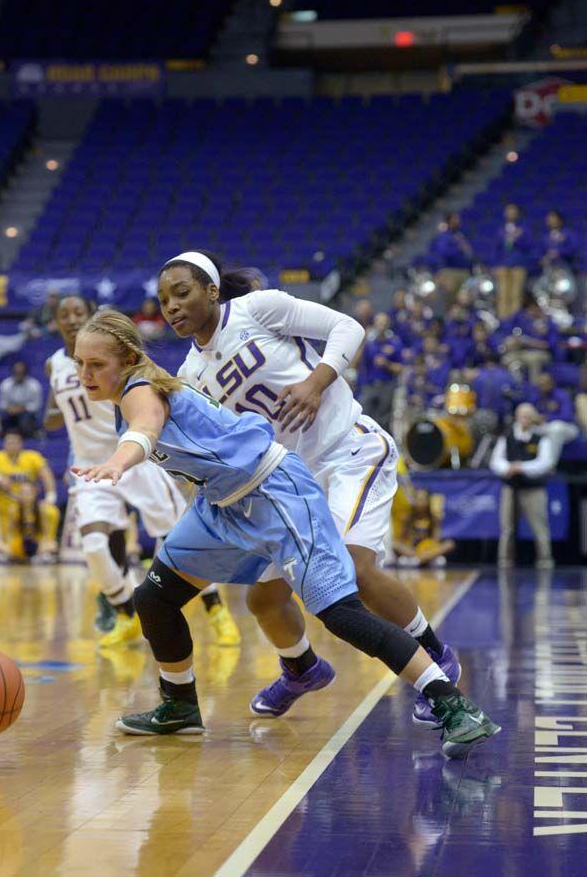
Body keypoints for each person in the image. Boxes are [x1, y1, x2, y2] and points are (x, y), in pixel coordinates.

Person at [71, 307, 499, 757]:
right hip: (221, 504)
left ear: (127, 361)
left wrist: (117, 463)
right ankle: (179, 706)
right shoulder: (152, 386)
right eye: (80, 363)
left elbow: (145, 429)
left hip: (274, 492)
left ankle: (453, 704)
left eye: (96, 364)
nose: (85, 373)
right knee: (154, 598)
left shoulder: (141, 391)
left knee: (341, 613)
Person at [159, 251, 462, 729]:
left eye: (182, 293)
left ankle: (438, 660)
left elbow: (349, 328)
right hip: (291, 485)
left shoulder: (258, 308)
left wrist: (316, 383)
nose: (172, 307)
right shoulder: (189, 377)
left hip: (348, 450)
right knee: (263, 601)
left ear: (212, 291)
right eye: (163, 302)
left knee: (355, 571)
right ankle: (301, 669)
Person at [44, 294, 239, 648]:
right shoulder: (54, 366)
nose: (71, 319)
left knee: (178, 539)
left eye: (78, 312)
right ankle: (125, 612)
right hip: (91, 465)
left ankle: (215, 608)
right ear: (56, 322)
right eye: (64, 314)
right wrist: (69, 408)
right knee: (92, 546)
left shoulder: (120, 365)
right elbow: (50, 414)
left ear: (92, 319)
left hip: (133, 457)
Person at [0, 430, 60, 562]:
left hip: (31, 506)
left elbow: (46, 475)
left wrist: (50, 497)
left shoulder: (32, 457)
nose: (12, 445)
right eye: (9, 442)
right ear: (4, 444)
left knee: (51, 512)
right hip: (6, 508)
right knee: (6, 543)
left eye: (15, 442)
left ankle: (43, 551)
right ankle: (18, 553)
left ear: (21, 444)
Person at [490, 403, 554, 570]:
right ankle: (504, 561)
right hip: (510, 488)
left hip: (534, 489)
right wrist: (507, 468)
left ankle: (545, 560)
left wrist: (521, 467)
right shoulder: (508, 436)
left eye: (528, 416)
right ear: (517, 417)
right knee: (507, 528)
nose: (525, 419)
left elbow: (545, 463)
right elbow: (496, 461)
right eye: (522, 416)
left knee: (540, 528)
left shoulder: (541, 438)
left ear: (533, 418)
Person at [356, 312, 403, 431]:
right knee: (364, 416)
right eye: (379, 322)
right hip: (369, 385)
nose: (381, 325)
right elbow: (355, 364)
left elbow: (400, 368)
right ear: (374, 324)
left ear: (388, 324)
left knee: (384, 420)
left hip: (387, 385)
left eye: (384, 322)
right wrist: (363, 342)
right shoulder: (369, 344)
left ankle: (384, 446)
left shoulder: (395, 343)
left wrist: (387, 364)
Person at [524, 371, 579, 466]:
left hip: (567, 428)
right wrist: (532, 419)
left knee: (556, 428)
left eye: (545, 383)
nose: (543, 386)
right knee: (523, 425)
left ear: (552, 383)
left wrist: (547, 418)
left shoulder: (561, 395)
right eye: (540, 384)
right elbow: (529, 411)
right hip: (544, 427)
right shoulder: (536, 396)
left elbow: (568, 417)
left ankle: (550, 465)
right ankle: (523, 460)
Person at [492, 203, 536, 318]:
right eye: (509, 211)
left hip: (518, 266)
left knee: (516, 294)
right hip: (503, 266)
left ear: (518, 213)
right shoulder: (500, 230)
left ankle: (514, 319)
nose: (511, 213)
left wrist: (517, 239)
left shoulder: (524, 229)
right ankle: (503, 319)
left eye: (513, 211)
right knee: (502, 294)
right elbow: (496, 248)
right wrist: (496, 265)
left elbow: (529, 246)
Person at [393, 488, 455, 568]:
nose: (420, 503)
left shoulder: (433, 519)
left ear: (428, 502)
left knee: (450, 544)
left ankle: (419, 560)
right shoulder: (408, 518)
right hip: (412, 551)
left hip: (428, 550)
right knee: (395, 544)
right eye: (417, 499)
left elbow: (436, 540)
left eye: (422, 500)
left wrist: (428, 550)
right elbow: (402, 539)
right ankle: (421, 559)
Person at [430, 213, 474, 302]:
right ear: (449, 221)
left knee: (464, 299)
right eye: (455, 219)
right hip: (450, 272)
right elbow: (444, 253)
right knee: (450, 299)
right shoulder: (444, 236)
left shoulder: (461, 235)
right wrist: (458, 248)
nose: (458, 221)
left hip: (464, 271)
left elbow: (469, 252)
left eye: (458, 219)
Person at [0, 361, 43, 438]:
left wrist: (22, 408)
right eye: (16, 372)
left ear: (26, 373)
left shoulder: (34, 385)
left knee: (26, 419)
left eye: (21, 373)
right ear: (12, 372)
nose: (19, 375)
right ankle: (4, 439)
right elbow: (2, 404)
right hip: (10, 412)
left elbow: (36, 405)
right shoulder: (5, 384)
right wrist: (9, 408)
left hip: (27, 413)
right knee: (2, 417)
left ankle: (28, 440)